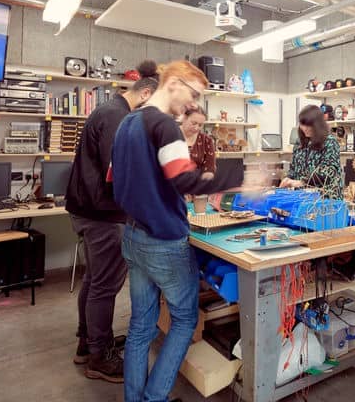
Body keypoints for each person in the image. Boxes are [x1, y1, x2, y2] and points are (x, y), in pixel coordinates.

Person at [109, 60, 244, 402]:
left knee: (141, 326)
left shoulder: (126, 123)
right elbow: (185, 180)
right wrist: (240, 180)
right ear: (173, 84)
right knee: (184, 321)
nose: (193, 103)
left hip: (133, 236)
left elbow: (113, 179)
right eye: (193, 93)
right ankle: (155, 397)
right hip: (164, 242)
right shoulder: (166, 126)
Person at [65, 60, 158, 383]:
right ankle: (99, 357)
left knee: (94, 280)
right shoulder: (118, 116)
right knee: (105, 285)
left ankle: (88, 342)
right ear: (145, 94)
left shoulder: (111, 111)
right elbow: (119, 171)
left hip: (89, 210)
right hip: (103, 214)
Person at [280, 105, 343, 198]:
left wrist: (302, 182)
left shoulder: (330, 142)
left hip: (326, 200)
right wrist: (288, 179)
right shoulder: (299, 143)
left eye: (309, 125)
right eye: (302, 124)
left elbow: (329, 172)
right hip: (302, 198)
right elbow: (294, 169)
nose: (305, 128)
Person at [180, 107, 215, 177]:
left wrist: (207, 177)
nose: (196, 128)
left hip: (196, 185)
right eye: (193, 123)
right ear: (184, 118)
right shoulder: (170, 135)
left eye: (200, 125)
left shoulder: (206, 140)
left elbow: (210, 168)